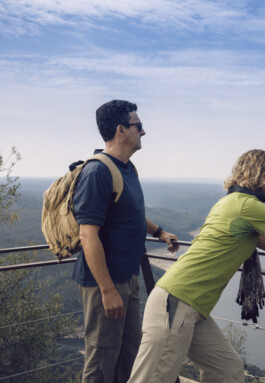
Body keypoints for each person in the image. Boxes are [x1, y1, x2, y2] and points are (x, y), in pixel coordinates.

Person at [128, 149, 265, 383]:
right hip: (178, 300)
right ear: (263, 176)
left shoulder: (233, 202)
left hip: (191, 306)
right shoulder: (248, 207)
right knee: (153, 378)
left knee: (227, 371)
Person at [71, 99, 179, 383]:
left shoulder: (126, 169)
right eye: (138, 126)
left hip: (127, 278)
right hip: (104, 282)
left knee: (130, 352)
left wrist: (159, 232)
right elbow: (87, 235)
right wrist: (107, 290)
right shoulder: (98, 172)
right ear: (122, 130)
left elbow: (130, 213)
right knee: (102, 357)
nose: (143, 132)